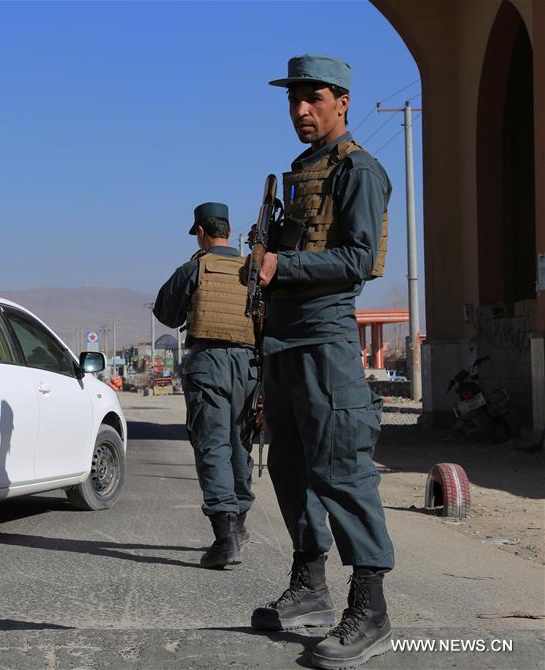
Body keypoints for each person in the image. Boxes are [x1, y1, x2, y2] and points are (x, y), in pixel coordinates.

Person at [247, 55, 395, 669]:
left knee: (341, 470)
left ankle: (372, 609)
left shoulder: (359, 170)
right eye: (293, 100)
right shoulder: (301, 171)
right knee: (289, 468)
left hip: (325, 339)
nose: (301, 110)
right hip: (282, 340)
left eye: (313, 98)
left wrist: (285, 266)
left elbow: (358, 259)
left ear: (342, 102)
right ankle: (310, 586)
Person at [153, 203, 259, 569]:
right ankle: (239, 526)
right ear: (228, 231)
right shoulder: (255, 268)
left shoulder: (195, 268)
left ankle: (225, 538)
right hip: (250, 366)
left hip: (208, 363)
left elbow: (166, 314)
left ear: (201, 231)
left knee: (213, 447)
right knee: (239, 447)